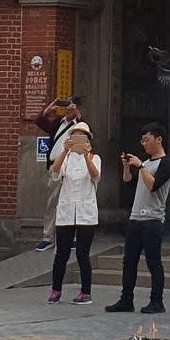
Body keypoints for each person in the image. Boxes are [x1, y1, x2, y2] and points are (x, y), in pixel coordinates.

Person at [107, 122, 170, 314]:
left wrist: (141, 165)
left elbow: (153, 185)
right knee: (129, 261)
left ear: (158, 139)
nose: (144, 144)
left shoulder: (166, 163)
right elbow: (129, 182)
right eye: (142, 141)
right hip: (135, 218)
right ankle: (126, 299)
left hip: (153, 219)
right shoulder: (147, 164)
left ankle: (157, 301)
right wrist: (127, 167)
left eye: (147, 140)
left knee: (153, 262)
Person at [48, 124, 99, 304]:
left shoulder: (94, 157)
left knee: (82, 254)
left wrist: (86, 156)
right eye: (74, 137)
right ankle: (56, 289)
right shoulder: (66, 158)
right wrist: (64, 152)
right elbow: (55, 172)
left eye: (82, 137)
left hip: (86, 212)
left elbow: (95, 176)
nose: (78, 141)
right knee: (61, 253)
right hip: (66, 211)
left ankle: (86, 292)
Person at [37, 96, 88, 252]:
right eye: (66, 105)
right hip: (55, 166)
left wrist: (77, 114)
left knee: (71, 201)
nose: (67, 108)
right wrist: (50, 108)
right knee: (52, 202)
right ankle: (48, 237)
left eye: (70, 105)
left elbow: (86, 136)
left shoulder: (79, 125)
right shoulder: (59, 123)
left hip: (72, 167)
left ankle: (70, 237)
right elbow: (40, 121)